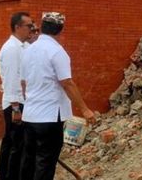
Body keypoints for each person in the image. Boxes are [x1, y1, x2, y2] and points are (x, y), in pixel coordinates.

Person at [19, 12, 96, 180]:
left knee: (29, 160)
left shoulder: (28, 51)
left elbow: (23, 83)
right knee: (45, 164)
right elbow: (67, 82)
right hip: (49, 117)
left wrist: (30, 102)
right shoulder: (57, 52)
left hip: (30, 115)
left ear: (42, 26)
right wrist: (85, 110)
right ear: (60, 29)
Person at [0, 12, 33, 180]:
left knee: (13, 142)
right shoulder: (11, 49)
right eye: (29, 26)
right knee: (16, 145)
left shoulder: (22, 46)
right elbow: (12, 80)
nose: (31, 29)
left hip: (21, 101)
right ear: (18, 27)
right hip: (15, 103)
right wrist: (16, 108)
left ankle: (5, 175)